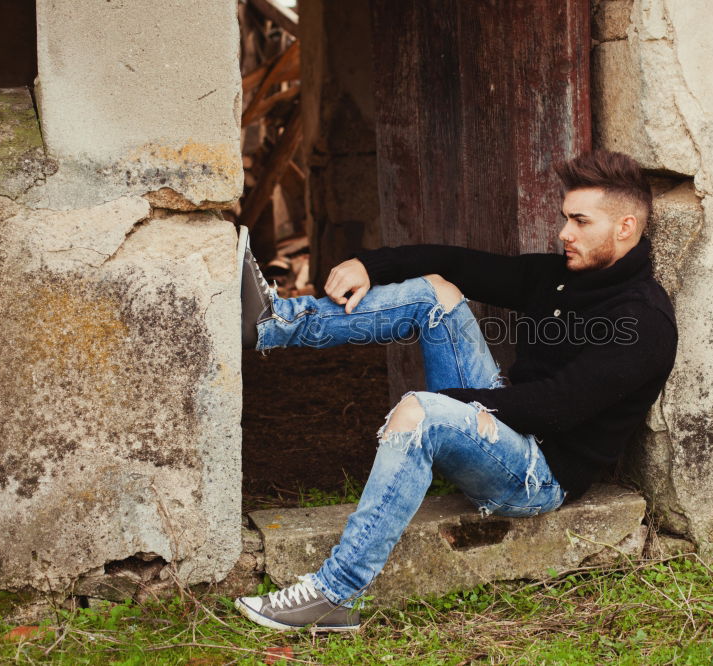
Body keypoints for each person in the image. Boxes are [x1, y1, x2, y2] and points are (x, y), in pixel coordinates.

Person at [233, 150, 678, 632]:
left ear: (625, 228)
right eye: (564, 218)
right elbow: (456, 263)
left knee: (422, 412)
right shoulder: (560, 278)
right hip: (512, 425)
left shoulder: (642, 322)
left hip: (539, 475)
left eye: (579, 221)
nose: (564, 232)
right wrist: (369, 263)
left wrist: (458, 406)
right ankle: (272, 323)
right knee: (433, 293)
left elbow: (558, 407)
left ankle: (333, 595)